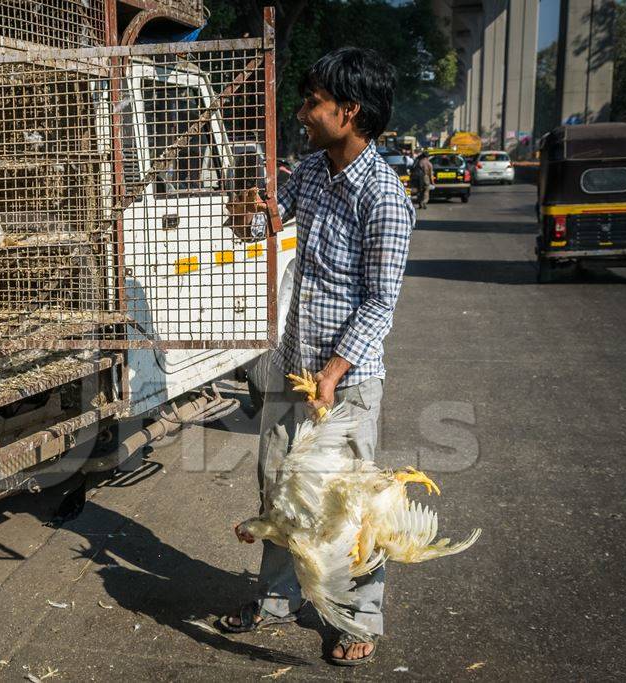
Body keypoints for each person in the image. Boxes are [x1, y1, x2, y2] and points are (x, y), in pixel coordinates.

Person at [219, 47, 415, 666]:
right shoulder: (312, 170)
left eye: (313, 103)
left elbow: (381, 304)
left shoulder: (384, 196)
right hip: (291, 365)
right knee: (279, 487)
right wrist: (248, 214)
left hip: (345, 382)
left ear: (349, 111)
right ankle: (277, 598)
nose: (303, 112)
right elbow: (270, 223)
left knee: (348, 502)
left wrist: (333, 372)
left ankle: (359, 618)